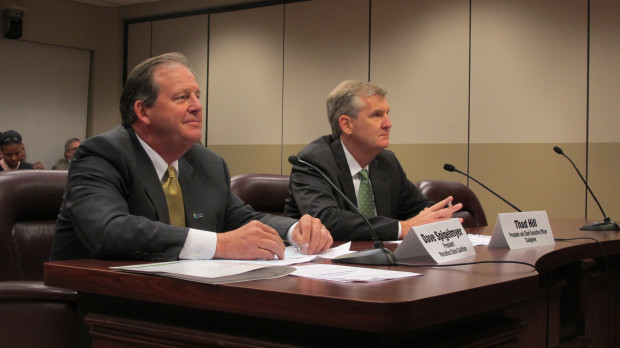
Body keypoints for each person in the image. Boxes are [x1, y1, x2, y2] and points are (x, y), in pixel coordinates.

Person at [50, 52, 332, 262]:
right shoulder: (102, 154)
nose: (197, 107)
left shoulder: (206, 163)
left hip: (185, 296)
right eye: (182, 97)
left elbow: (241, 219)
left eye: (197, 96)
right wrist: (219, 244)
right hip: (100, 303)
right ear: (143, 111)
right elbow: (108, 230)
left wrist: (295, 229)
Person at [285, 80, 462, 241]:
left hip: (381, 265)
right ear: (346, 124)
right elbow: (327, 220)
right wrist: (401, 228)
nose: (388, 123)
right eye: (377, 115)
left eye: (387, 114)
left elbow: (418, 208)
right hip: (325, 268)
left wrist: (438, 216)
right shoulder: (313, 161)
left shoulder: (387, 161)